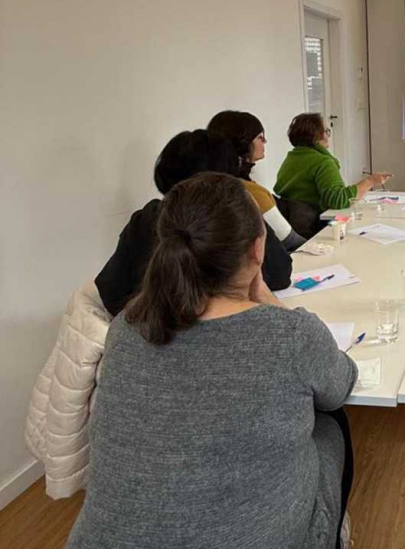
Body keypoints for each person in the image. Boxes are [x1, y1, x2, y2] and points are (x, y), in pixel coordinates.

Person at [69, 173, 357, 549]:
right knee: (330, 423)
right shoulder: (290, 336)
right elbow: (341, 383)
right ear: (257, 251)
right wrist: (266, 296)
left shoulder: (127, 326)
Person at [95, 130, 293, 316]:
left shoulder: (146, 217)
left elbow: (110, 292)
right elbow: (281, 273)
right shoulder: (234, 218)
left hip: (153, 334)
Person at [207, 110, 307, 250]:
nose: (265, 141)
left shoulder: (210, 185)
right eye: (260, 137)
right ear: (243, 143)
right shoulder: (249, 191)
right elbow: (290, 240)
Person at [275, 112, 390, 217]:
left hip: (294, 225)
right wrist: (371, 181)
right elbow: (339, 200)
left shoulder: (291, 158)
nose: (328, 135)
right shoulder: (323, 162)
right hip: (316, 226)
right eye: (326, 131)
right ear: (316, 135)